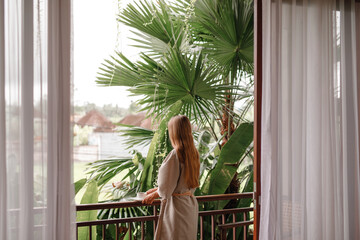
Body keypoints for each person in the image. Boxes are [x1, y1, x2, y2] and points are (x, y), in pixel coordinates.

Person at [142, 115, 200, 240]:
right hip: (189, 206)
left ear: (174, 132)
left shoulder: (176, 154)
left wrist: (155, 194)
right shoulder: (193, 153)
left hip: (176, 209)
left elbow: (166, 187)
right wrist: (157, 190)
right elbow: (179, 182)